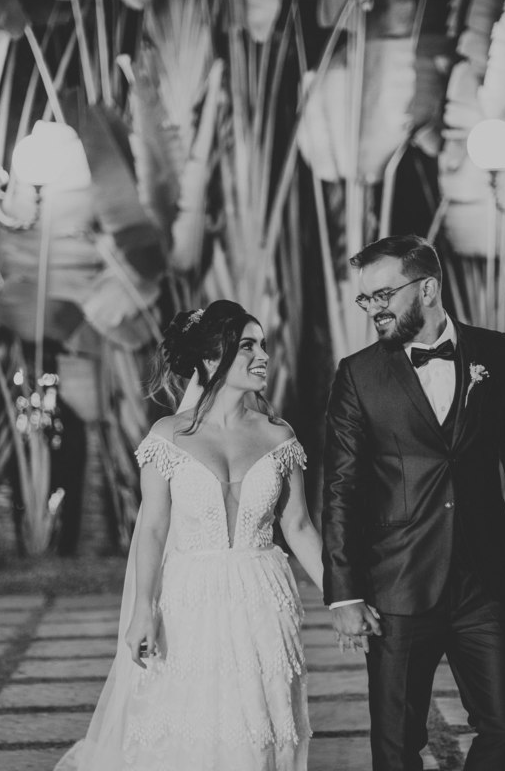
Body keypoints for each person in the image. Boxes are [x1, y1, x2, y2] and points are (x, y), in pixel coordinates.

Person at [321, 235, 505, 771]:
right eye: (365, 298)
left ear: (428, 289)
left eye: (383, 294)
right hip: (398, 584)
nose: (373, 309)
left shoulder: (494, 353)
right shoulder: (358, 375)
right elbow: (340, 488)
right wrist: (343, 594)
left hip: (484, 580)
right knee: (396, 744)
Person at [55, 299, 324, 771]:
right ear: (211, 359)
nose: (263, 355)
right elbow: (152, 529)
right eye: (248, 346)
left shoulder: (279, 436)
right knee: (190, 725)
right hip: (189, 602)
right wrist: (142, 608)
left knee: (261, 725)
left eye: (263, 345)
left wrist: (343, 598)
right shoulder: (168, 436)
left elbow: (298, 526)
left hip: (262, 600)